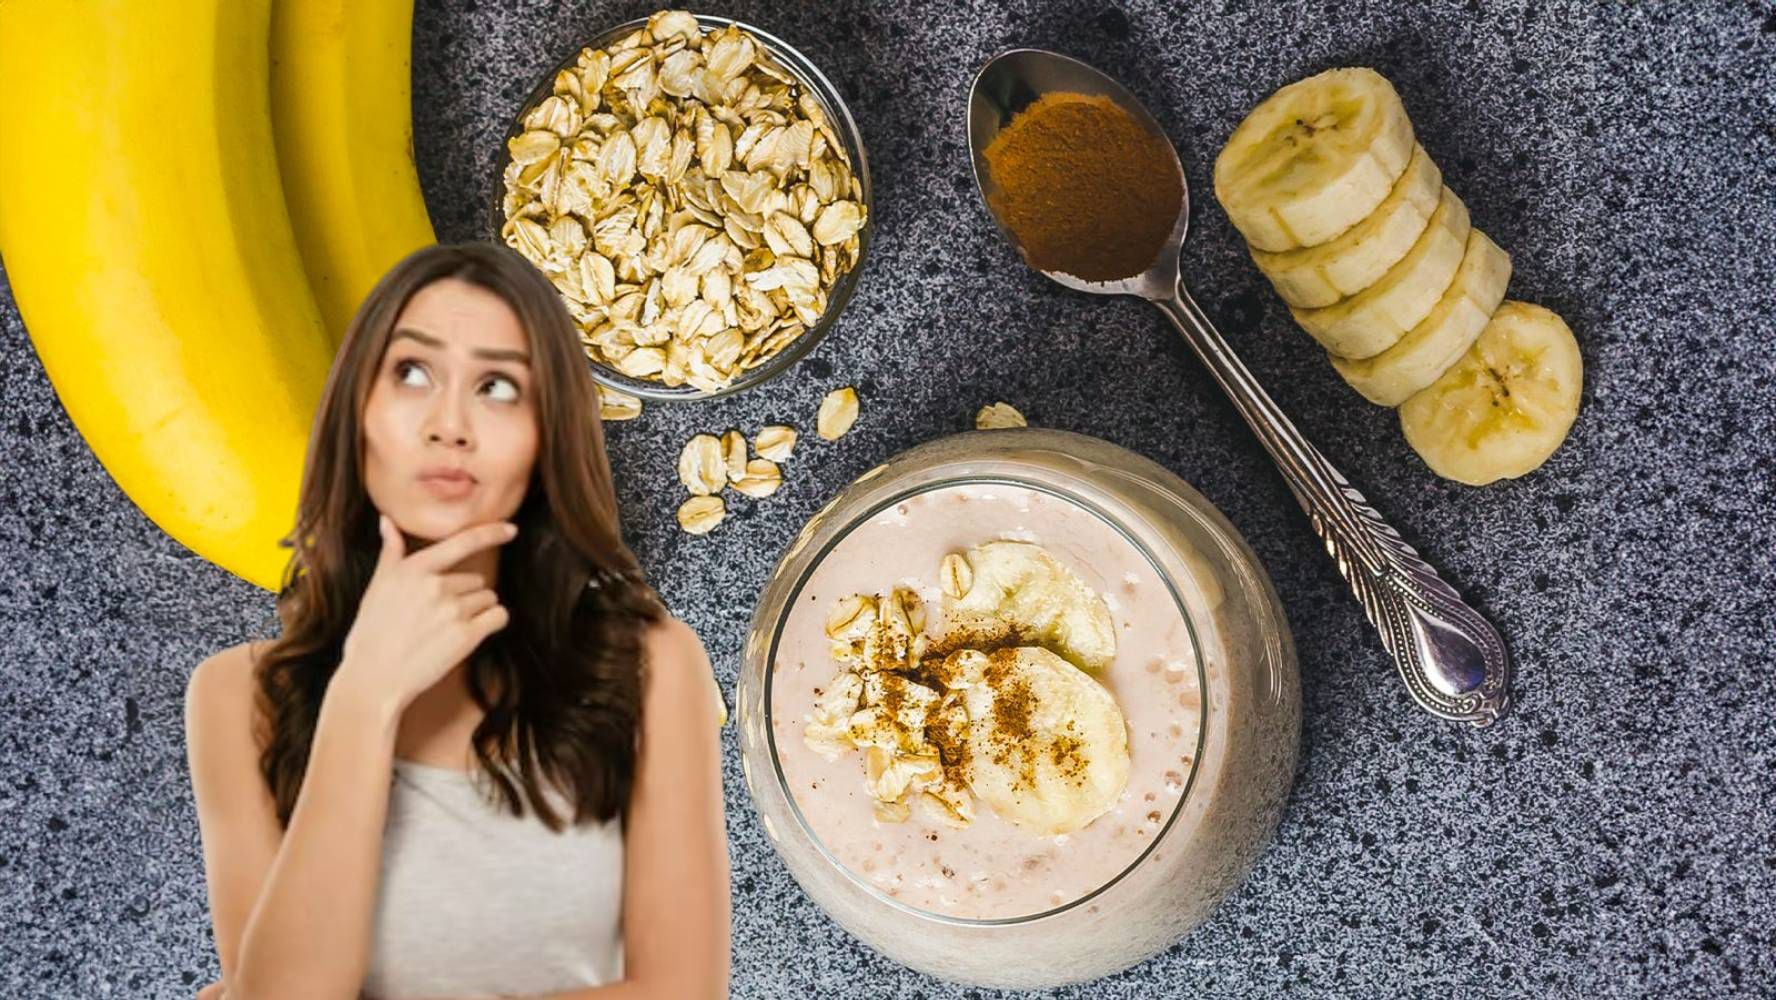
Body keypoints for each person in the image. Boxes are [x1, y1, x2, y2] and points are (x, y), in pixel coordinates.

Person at [183, 242, 731, 999]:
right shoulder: (237, 696)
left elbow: (684, 993)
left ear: (548, 438)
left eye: (499, 387)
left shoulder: (651, 665)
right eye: (412, 372)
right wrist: (364, 692)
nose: (451, 424)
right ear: (357, 413)